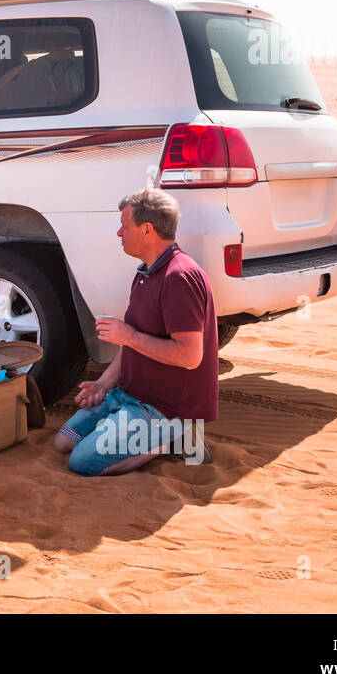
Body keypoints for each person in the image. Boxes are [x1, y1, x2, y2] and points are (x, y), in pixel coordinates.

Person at [52, 187, 218, 476]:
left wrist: (127, 336)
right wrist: (103, 386)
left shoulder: (179, 277)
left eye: (124, 225)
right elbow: (132, 344)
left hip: (163, 409)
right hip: (128, 396)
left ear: (147, 230)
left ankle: (172, 439)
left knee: (82, 462)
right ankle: (129, 429)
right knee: (63, 441)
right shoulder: (146, 272)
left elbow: (190, 356)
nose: (119, 233)